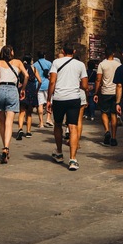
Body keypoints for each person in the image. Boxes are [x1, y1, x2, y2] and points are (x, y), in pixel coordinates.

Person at [47, 43, 88, 171]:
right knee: (73, 126)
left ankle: (59, 152)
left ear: (63, 51)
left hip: (59, 98)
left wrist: (49, 99)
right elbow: (85, 85)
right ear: (74, 51)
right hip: (74, 98)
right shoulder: (80, 65)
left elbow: (52, 81)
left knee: (58, 124)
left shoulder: (56, 62)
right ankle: (73, 159)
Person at [0, 45, 28, 163]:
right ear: (11, 52)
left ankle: (4, 147)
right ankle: (6, 147)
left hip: (1, 89)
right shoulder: (17, 62)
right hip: (13, 90)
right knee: (9, 122)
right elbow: (26, 75)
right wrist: (23, 88)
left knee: (2, 122)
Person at [93, 47, 121, 146]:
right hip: (116, 92)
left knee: (104, 112)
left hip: (105, 92)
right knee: (114, 114)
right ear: (113, 54)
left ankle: (106, 131)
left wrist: (96, 92)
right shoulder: (118, 65)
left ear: (105, 55)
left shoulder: (102, 64)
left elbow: (98, 79)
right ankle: (114, 137)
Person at [16, 56, 41, 139]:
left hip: (22, 88)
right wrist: (37, 89)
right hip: (31, 90)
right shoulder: (34, 69)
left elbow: (16, 78)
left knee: (21, 111)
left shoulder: (21, 68)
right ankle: (29, 131)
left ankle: (20, 128)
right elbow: (40, 81)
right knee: (29, 113)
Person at [34, 52, 53, 127]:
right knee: (49, 102)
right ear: (44, 55)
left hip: (38, 85)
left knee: (40, 104)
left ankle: (41, 122)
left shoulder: (35, 64)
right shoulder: (49, 63)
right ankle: (48, 118)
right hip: (47, 85)